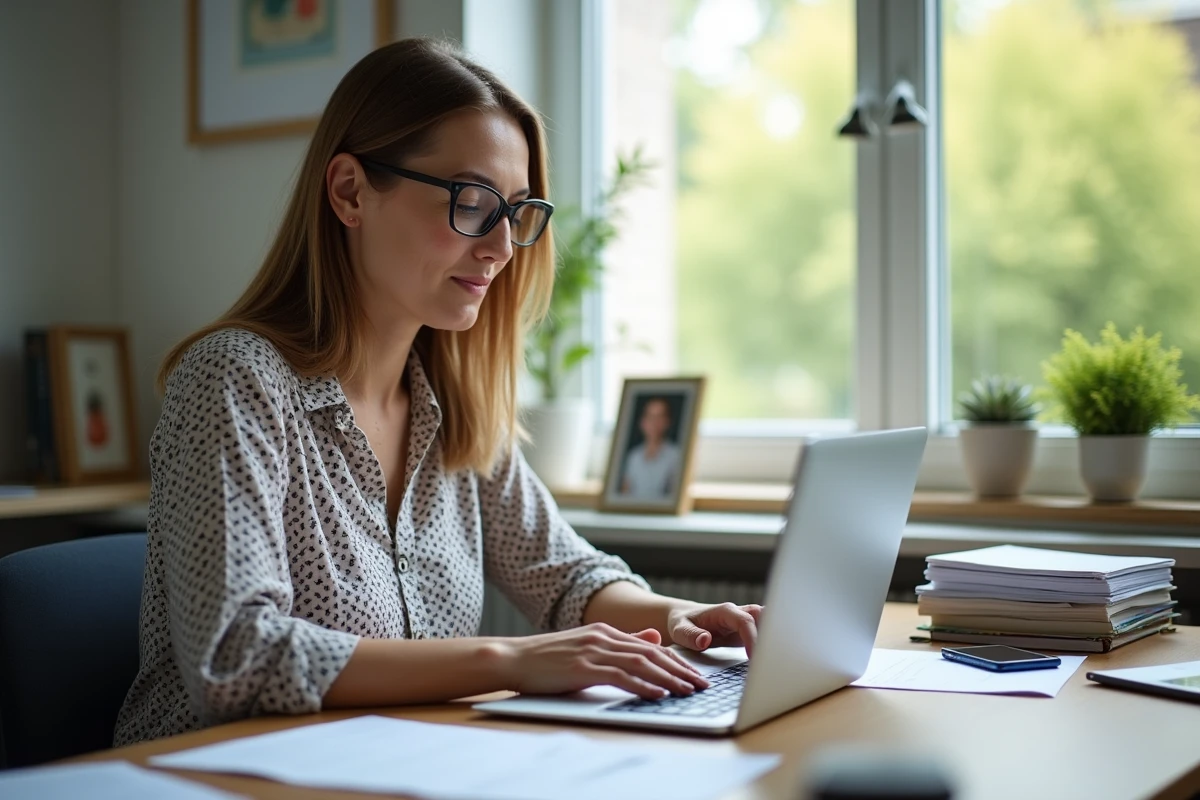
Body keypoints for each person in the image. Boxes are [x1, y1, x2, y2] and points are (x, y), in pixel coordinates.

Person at [113, 38, 762, 746]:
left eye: (514, 211)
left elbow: (567, 577)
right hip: (205, 777)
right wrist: (509, 659)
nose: (502, 247)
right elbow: (239, 659)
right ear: (350, 192)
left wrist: (672, 618)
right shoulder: (236, 381)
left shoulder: (449, 402)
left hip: (392, 767)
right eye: (472, 200)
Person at [619, 397, 683, 499]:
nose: (654, 423)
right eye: (650, 417)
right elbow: (625, 492)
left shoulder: (676, 456)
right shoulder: (633, 456)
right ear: (642, 422)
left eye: (659, 417)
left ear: (667, 422)